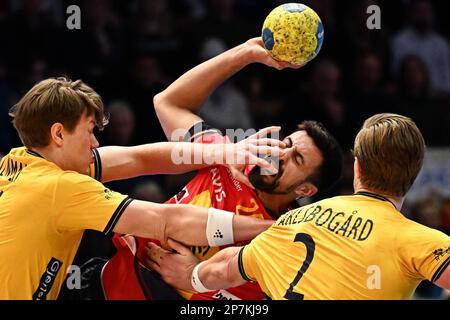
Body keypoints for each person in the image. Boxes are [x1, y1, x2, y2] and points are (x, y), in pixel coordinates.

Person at [98, 37, 343, 300]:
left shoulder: (284, 240)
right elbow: (169, 103)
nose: (280, 154)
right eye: (285, 143)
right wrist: (244, 54)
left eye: (296, 158)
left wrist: (196, 275)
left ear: (306, 188)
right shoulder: (230, 156)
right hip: (110, 281)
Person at [0, 77, 283, 300]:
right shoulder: (60, 187)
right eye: (89, 131)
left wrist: (224, 152)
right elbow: (167, 222)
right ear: (59, 134)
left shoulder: (20, 161)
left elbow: (140, 158)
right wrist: (278, 227)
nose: (96, 144)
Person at [147, 113, 450, 299]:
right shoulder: (417, 240)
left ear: (356, 168)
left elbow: (229, 265)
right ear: (413, 177)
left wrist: (192, 275)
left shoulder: (295, 220)